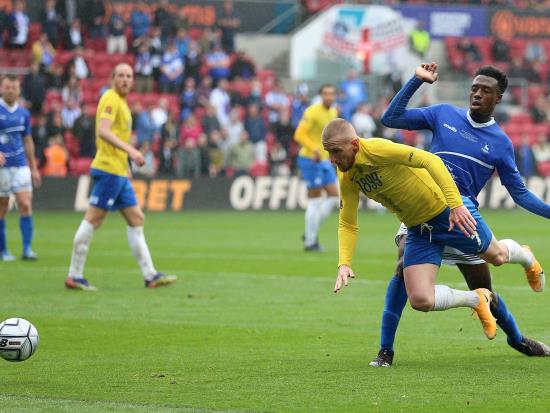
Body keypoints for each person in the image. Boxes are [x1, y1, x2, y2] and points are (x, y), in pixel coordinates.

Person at [371, 62, 550, 366]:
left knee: (484, 289)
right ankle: (385, 350)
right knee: (403, 267)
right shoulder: (444, 114)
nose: (478, 94)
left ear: (499, 99)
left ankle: (516, 338)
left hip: (461, 219)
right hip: (422, 208)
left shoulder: (501, 144)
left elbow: (519, 193)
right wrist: (416, 81)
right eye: (475, 88)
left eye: (486, 91)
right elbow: (391, 118)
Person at [323, 119, 545, 358]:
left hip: (449, 213)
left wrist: (456, 204)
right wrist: (344, 262)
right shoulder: (346, 175)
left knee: (497, 256)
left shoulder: (378, 149)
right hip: (419, 228)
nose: (332, 159)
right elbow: (347, 221)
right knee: (420, 299)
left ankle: (525, 256)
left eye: (336, 151)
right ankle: (475, 299)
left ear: (355, 144)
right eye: (329, 152)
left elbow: (430, 160)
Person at [65, 64, 176, 291]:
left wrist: (125, 164)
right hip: (108, 170)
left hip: (118, 171)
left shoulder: (122, 103)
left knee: (136, 219)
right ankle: (74, 275)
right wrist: (132, 151)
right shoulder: (110, 98)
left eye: (129, 76)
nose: (125, 79)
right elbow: (103, 132)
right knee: (94, 219)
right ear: (112, 78)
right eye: (121, 75)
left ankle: (150, 275)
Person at [0, 75, 41, 261]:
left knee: (25, 203)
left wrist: (34, 168)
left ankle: (27, 249)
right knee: (2, 207)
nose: (10, 90)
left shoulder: (24, 113)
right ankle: (3, 250)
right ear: (2, 88)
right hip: (2, 168)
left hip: (20, 164)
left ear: (19, 90)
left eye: (14, 87)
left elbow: (27, 140)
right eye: (7, 87)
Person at [294, 84, 339, 251]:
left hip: (324, 160)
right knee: (315, 200)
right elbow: (298, 134)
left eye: (332, 94)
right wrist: (313, 149)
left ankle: (309, 230)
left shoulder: (333, 112)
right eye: (326, 94)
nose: (329, 97)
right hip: (309, 159)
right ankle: (310, 242)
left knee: (335, 197)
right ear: (321, 95)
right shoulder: (312, 111)